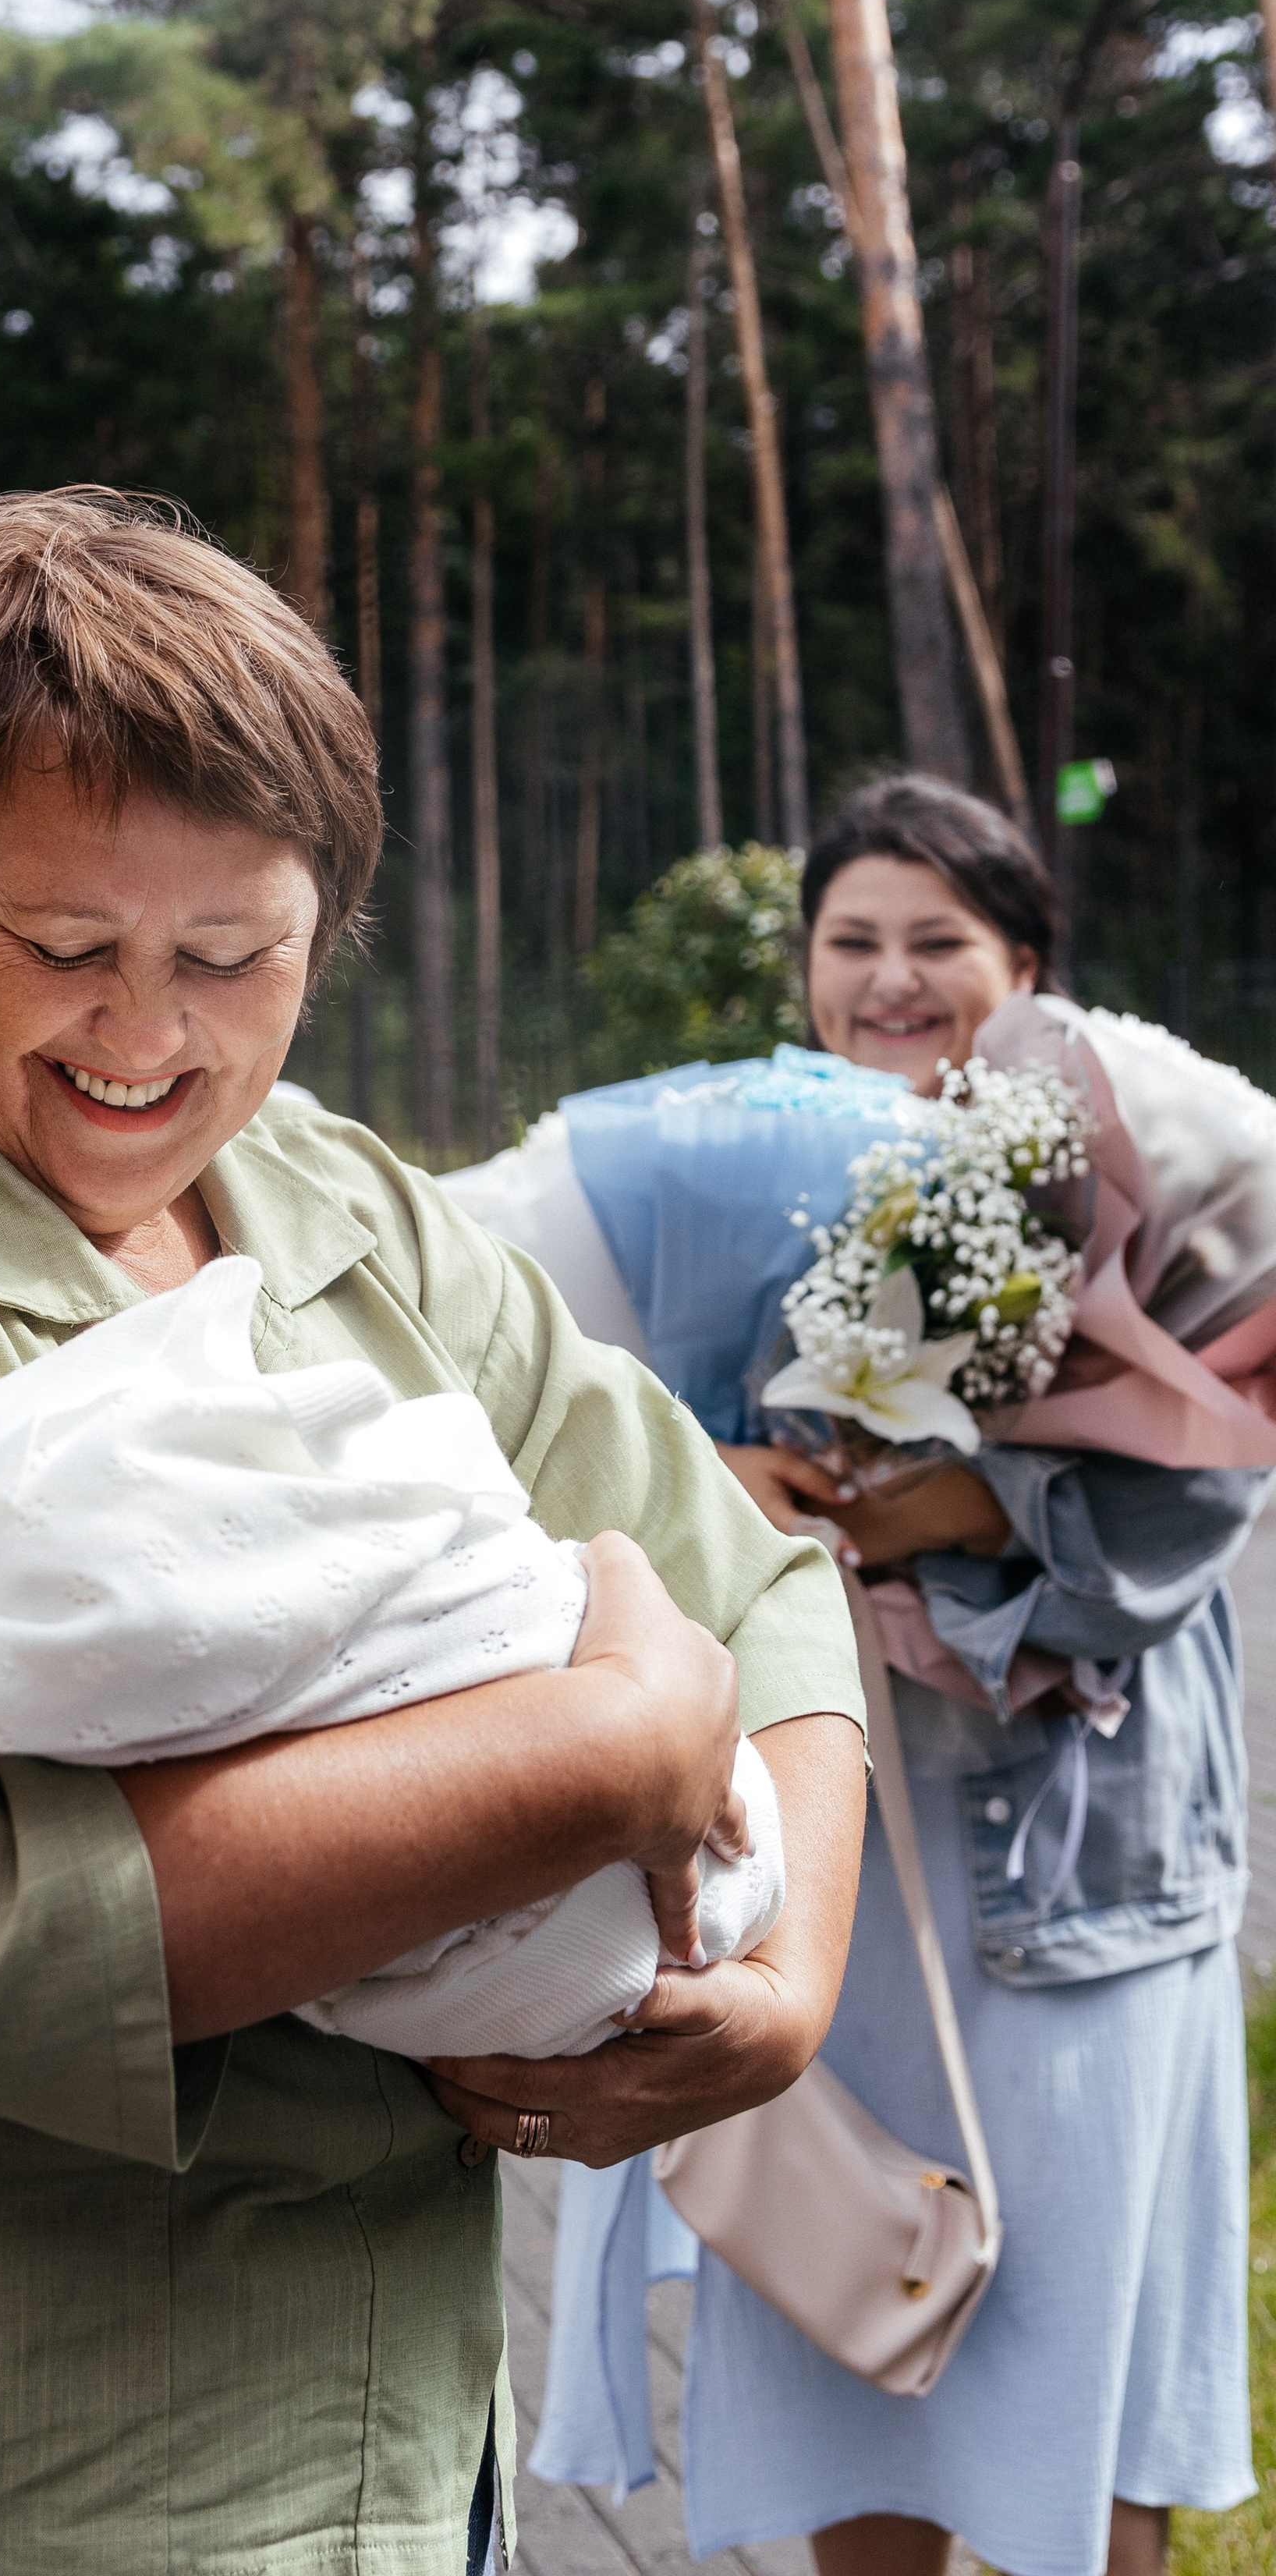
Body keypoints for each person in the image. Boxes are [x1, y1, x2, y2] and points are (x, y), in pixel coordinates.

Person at [0, 487, 867, 2576]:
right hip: (10, 2498)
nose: (149, 1038)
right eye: (63, 953)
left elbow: (750, 1574)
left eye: (231, 958)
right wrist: (596, 1757)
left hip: (409, 2454)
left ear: (328, 926)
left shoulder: (337, 1202)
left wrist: (787, 1981)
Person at [519, 774, 1263, 2576]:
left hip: (1083, 1889)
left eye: (938, 941)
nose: (891, 980)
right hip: (848, 1871)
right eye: (850, 942)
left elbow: (1188, 1500)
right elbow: (619, 1467)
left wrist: (966, 1500)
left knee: (1079, 2382)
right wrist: (727, 1485)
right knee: (859, 2323)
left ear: (1024, 969)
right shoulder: (748, 1192)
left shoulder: (1152, 1192)